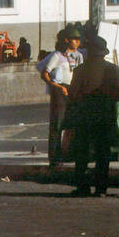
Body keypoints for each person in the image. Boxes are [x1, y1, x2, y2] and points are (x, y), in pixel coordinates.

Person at [64, 36, 119, 197]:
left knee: (81, 153)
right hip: (104, 116)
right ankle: (101, 188)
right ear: (103, 53)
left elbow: (72, 96)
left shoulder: (80, 70)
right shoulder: (112, 69)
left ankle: (82, 186)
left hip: (84, 117)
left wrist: (68, 120)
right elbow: (118, 93)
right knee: (103, 153)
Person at [38, 29, 83, 167]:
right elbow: (45, 74)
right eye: (74, 39)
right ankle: (54, 157)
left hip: (73, 90)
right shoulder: (57, 56)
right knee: (57, 124)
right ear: (66, 40)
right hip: (60, 91)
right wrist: (56, 86)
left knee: (73, 124)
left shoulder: (79, 56)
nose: (77, 42)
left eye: (78, 39)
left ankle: (69, 153)